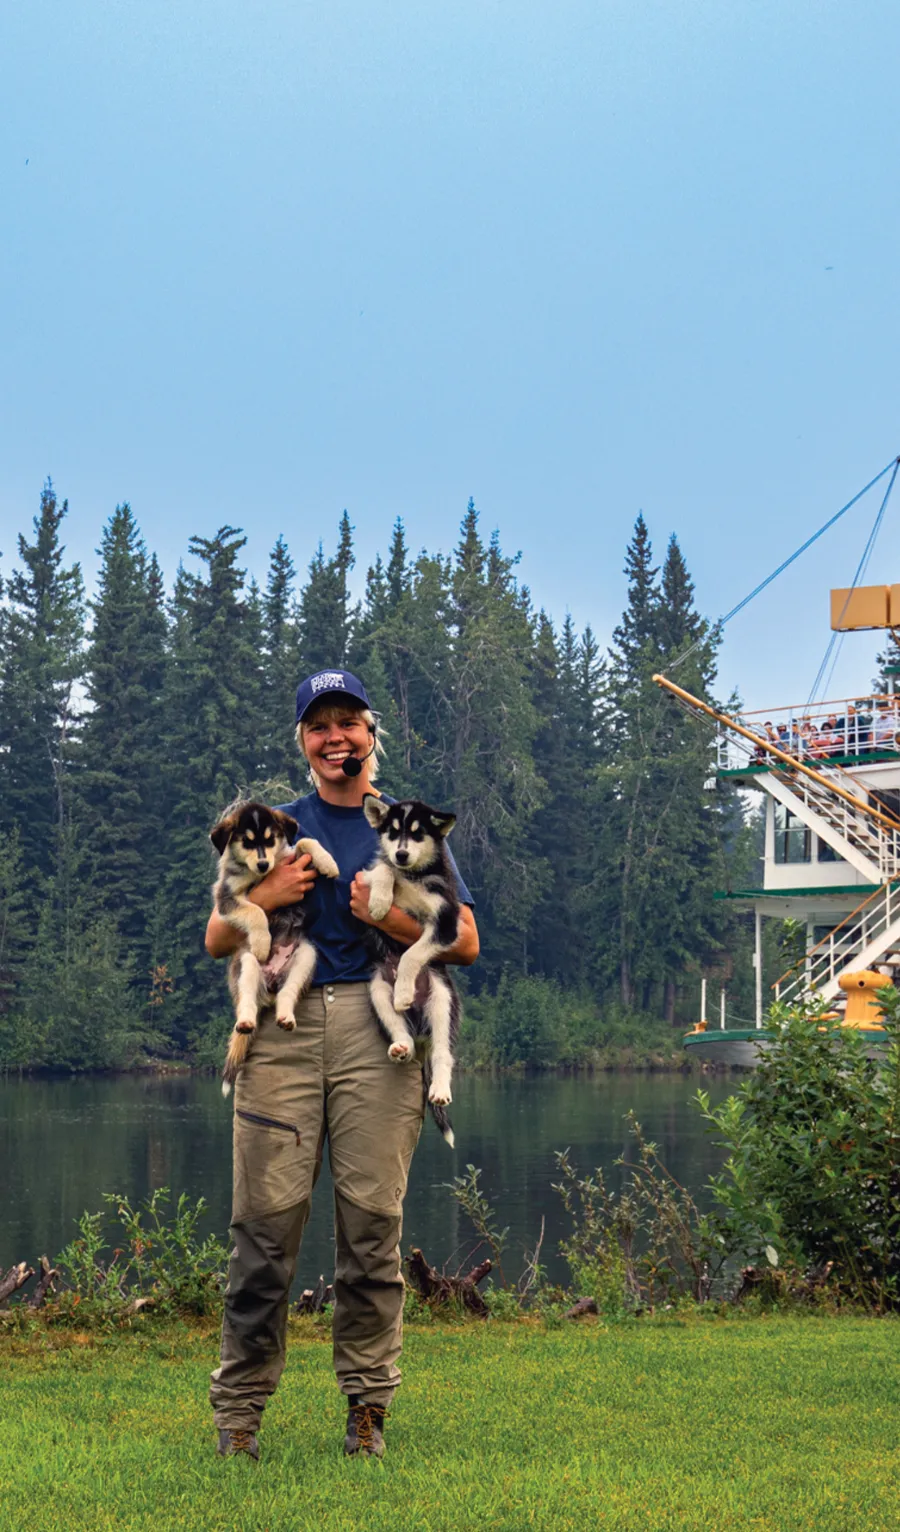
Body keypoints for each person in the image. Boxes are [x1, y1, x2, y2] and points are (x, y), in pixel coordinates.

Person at [205, 669, 479, 1461]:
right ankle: (240, 1418)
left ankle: (367, 1411)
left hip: (376, 1025)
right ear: (303, 742)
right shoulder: (274, 827)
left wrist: (385, 914)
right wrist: (278, 884)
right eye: (319, 725)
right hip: (281, 1033)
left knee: (371, 1228)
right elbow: (218, 938)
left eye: (348, 723)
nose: (336, 738)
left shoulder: (406, 821)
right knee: (263, 1232)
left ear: (370, 733)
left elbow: (465, 941)